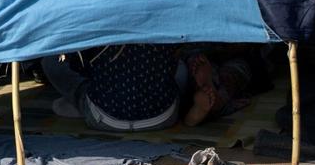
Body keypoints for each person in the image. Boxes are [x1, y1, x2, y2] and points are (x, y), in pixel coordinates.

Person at [43, 44, 251, 132]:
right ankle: (189, 109)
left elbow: (80, 67)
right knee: (178, 69)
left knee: (52, 61)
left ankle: (81, 107)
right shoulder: (162, 26)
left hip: (106, 118)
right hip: (162, 117)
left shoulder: (100, 25)